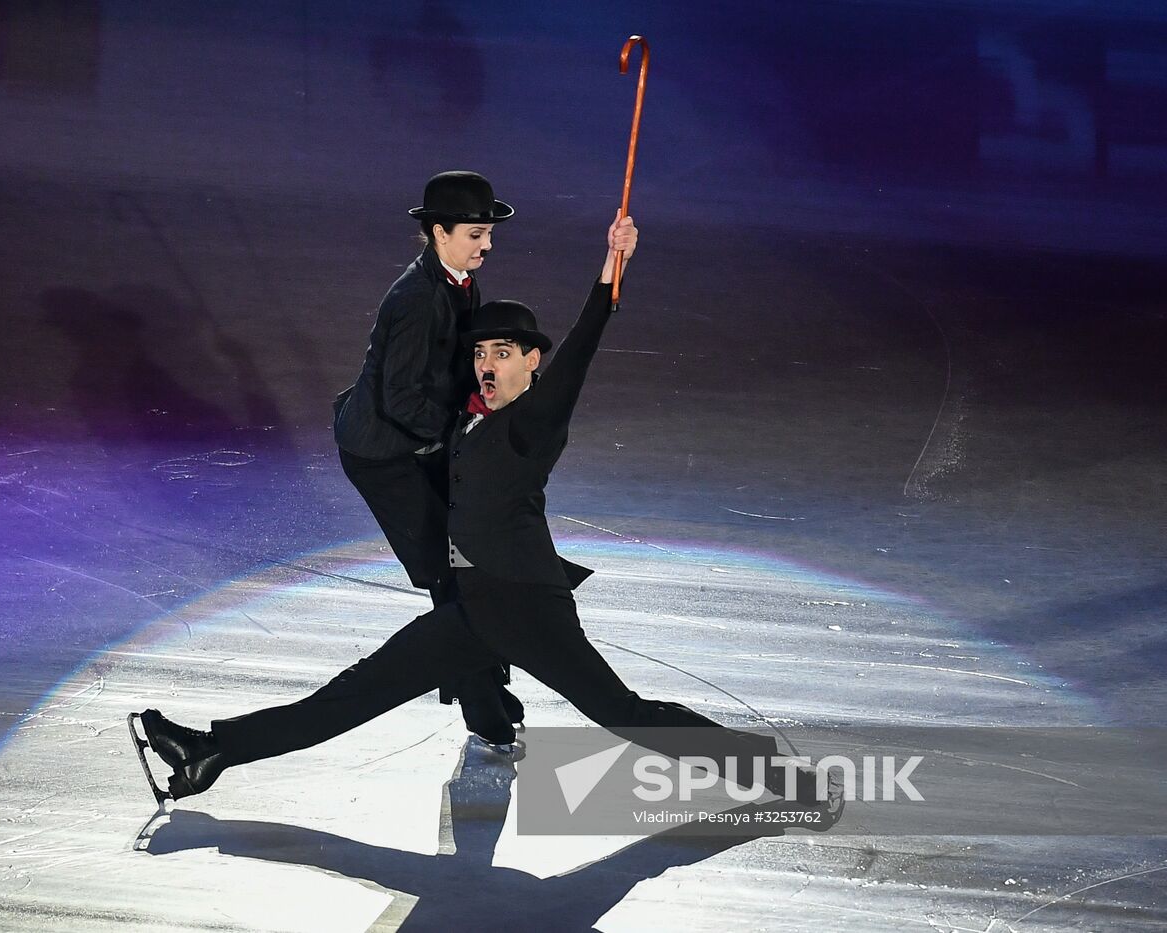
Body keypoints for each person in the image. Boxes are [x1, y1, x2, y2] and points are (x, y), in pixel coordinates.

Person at [132, 212, 837, 817]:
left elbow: (584, 348)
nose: (488, 363)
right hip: (476, 611)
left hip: (529, 609)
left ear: (534, 361)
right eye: (481, 352)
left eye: (504, 351)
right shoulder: (469, 419)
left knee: (626, 713)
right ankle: (210, 751)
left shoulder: (535, 421)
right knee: (351, 695)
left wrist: (612, 268)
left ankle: (782, 779)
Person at [332, 170, 522, 747]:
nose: (486, 245)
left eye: (489, 233)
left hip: (422, 439)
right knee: (449, 573)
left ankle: (481, 684)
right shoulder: (416, 299)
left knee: (468, 561)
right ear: (438, 232)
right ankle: (482, 707)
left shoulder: (461, 281)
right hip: (384, 451)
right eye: (474, 234)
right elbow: (399, 398)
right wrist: (459, 434)